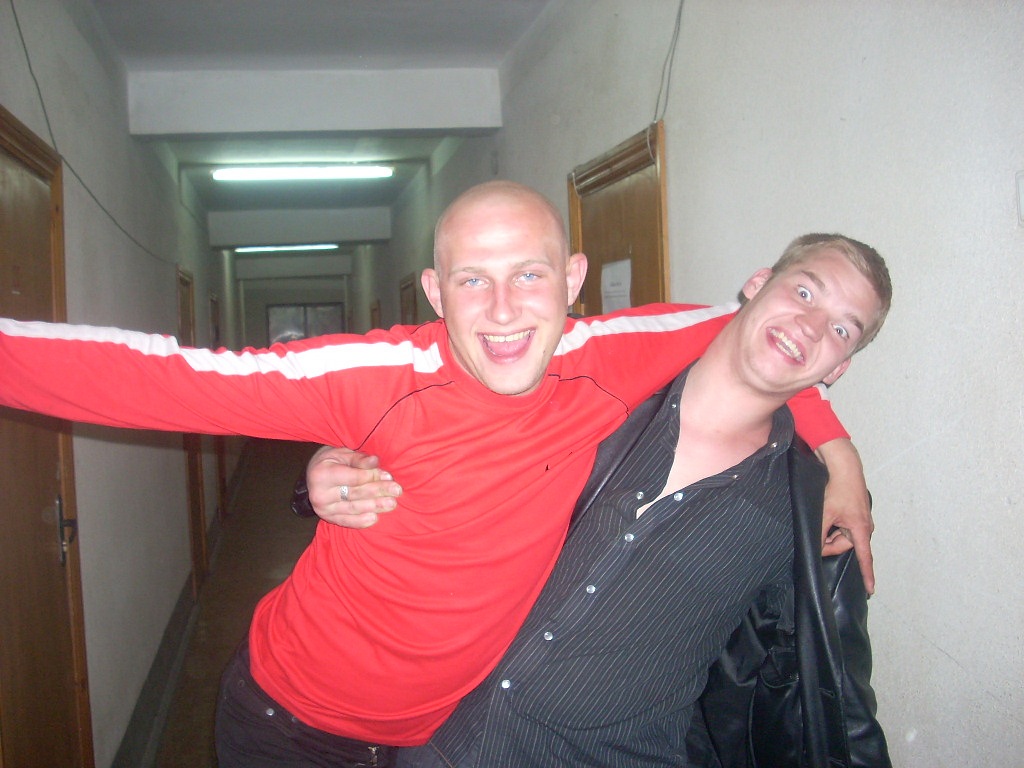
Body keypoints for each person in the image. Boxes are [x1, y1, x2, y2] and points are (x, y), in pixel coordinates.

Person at [0, 181, 862, 767]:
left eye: (529, 275)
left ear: (571, 281)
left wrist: (838, 454)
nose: (503, 310)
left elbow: (770, 341)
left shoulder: (613, 356)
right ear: (435, 292)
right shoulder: (374, 378)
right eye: (472, 280)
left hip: (437, 738)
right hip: (289, 725)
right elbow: (164, 378)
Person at [303, 234, 893, 767]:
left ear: (838, 367)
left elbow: (829, 693)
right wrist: (329, 474)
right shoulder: (591, 392)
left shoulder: (810, 511)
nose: (810, 326)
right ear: (758, 285)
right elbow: (425, 420)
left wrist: (837, 457)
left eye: (842, 329)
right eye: (804, 292)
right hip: (441, 742)